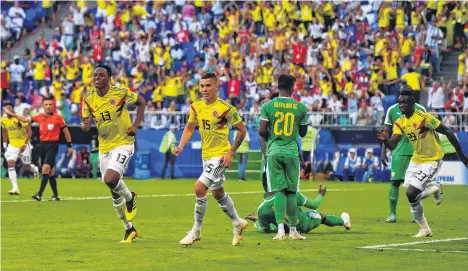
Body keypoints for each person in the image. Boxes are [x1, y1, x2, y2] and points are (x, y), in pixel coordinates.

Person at [377, 88, 468, 237]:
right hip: (416, 159)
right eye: (400, 102)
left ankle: (435, 186)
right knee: (410, 193)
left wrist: (461, 154)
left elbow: (448, 132)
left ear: (413, 103)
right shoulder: (400, 122)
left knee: (412, 192)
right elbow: (393, 144)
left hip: (432, 159)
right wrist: (385, 141)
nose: (402, 105)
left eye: (405, 102)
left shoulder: (424, 118)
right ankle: (425, 229)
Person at [173, 72, 249, 246]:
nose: (204, 89)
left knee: (199, 188)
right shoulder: (196, 106)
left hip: (220, 156)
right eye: (202, 86)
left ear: (217, 86)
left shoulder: (226, 109)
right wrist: (181, 145)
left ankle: (196, 231)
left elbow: (242, 130)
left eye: (208, 86)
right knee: (217, 192)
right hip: (206, 156)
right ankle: (237, 222)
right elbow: (190, 126)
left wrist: (230, 153)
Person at [81, 64, 145, 243]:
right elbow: (85, 122)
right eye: (94, 76)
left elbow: (142, 102)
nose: (96, 78)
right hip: (104, 147)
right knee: (113, 192)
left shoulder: (120, 93)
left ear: (108, 78)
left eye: (100, 75)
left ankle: (131, 197)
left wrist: (136, 125)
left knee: (110, 179)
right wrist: (85, 126)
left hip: (124, 143)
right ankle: (128, 229)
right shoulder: (88, 98)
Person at [258, 74, 308, 240]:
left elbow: (261, 131)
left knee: (279, 191)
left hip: (274, 152)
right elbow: (303, 133)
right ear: (292, 87)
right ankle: (293, 231)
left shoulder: (268, 106)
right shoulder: (300, 108)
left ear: (278, 86)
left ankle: (280, 231)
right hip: (291, 152)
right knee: (291, 193)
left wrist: (273, 131)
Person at [3, 97, 73, 201]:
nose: (48, 106)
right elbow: (25, 119)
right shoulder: (39, 117)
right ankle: (55, 195)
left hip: (52, 145)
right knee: (51, 171)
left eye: (50, 104)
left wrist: (70, 145)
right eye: (46, 105)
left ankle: (39, 194)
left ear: (53, 106)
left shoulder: (58, 118)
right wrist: (12, 114)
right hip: (42, 145)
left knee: (45, 168)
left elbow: (66, 131)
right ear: (43, 106)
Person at [382, 85, 427, 223]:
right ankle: (392, 214)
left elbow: (426, 131)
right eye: (402, 94)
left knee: (415, 184)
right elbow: (387, 131)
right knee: (395, 182)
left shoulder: (420, 110)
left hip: (416, 152)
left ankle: (415, 214)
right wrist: (384, 151)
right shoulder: (392, 110)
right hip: (398, 151)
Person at [246, 184, 351, 234]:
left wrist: (256, 220)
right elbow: (315, 204)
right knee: (321, 217)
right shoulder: (292, 194)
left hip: (284, 227)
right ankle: (344, 222)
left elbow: (264, 229)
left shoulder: (262, 208)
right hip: (303, 224)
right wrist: (321, 194)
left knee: (274, 224)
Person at [1, 102, 39, 195]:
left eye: (10, 108)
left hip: (24, 144)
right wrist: (5, 146)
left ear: (13, 109)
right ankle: (15, 188)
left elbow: (29, 132)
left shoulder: (19, 118)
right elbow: (4, 132)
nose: (8, 110)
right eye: (6, 109)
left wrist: (24, 144)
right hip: (12, 145)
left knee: (26, 166)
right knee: (10, 163)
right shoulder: (3, 120)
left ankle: (34, 169)